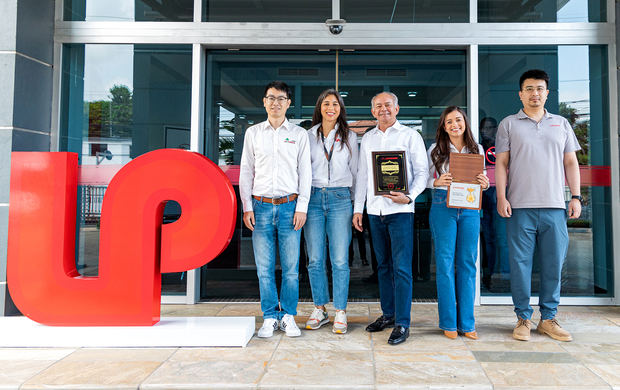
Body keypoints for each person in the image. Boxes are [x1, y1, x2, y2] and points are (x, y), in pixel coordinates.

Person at [495, 69, 581, 342]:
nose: (535, 93)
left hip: (555, 206)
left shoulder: (561, 124)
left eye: (540, 88)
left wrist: (576, 196)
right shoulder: (509, 124)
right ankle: (522, 317)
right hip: (520, 206)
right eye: (529, 89)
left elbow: (571, 162)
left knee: (553, 265)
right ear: (520, 94)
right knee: (519, 265)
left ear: (547, 92)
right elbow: (501, 164)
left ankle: (548, 318)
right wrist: (501, 196)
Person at [353, 92, 429, 345]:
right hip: (375, 212)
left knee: (402, 268)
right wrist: (358, 209)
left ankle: (403, 323)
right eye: (378, 106)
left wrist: (409, 197)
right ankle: (388, 314)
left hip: (400, 212)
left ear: (397, 108)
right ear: (372, 111)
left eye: (388, 105)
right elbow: (363, 176)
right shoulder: (369, 138)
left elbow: (422, 173)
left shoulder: (410, 136)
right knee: (383, 267)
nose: (383, 109)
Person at [239, 80, 312, 338]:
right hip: (260, 207)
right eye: (271, 98)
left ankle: (288, 315)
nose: (276, 103)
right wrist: (247, 206)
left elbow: (305, 173)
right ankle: (270, 316)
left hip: (289, 206)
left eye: (281, 98)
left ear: (288, 103)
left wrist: (302, 207)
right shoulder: (253, 133)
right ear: (264, 101)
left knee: (291, 269)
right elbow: (246, 171)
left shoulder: (299, 134)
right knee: (264, 268)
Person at [427, 106, 489, 340]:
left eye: (458, 120)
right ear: (443, 126)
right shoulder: (435, 149)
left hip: (470, 206)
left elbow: (482, 180)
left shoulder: (477, 148)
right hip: (444, 204)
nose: (455, 125)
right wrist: (437, 180)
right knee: (444, 264)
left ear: (465, 123)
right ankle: (448, 322)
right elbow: (422, 178)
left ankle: (467, 323)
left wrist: (485, 183)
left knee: (467, 263)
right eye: (449, 121)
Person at [303, 89, 358, 334]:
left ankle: (341, 311)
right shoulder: (307, 136)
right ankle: (320, 308)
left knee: (339, 259)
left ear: (340, 109)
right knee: (314, 258)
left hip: (340, 199)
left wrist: (357, 206)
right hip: (313, 198)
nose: (330, 108)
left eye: (335, 104)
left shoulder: (350, 137)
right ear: (319, 108)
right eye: (326, 103)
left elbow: (356, 173)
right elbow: (301, 171)